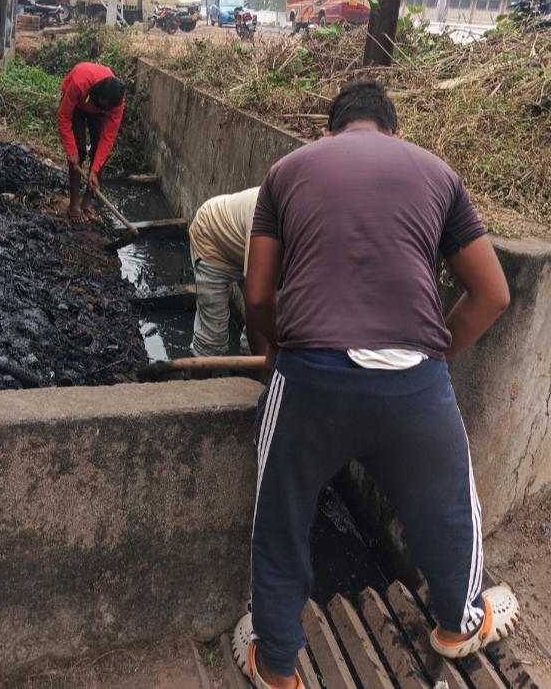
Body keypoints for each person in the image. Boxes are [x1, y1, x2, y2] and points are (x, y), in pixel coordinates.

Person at [232, 81, 518, 689]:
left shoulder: (287, 171)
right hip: (415, 385)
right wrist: (430, 357)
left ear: (328, 132)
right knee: (448, 507)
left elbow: (257, 296)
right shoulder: (438, 173)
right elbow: (493, 295)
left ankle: (275, 664)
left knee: (280, 513)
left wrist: (289, 353)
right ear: (394, 133)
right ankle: (459, 625)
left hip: (310, 381)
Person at [188, 188, 266, 372]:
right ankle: (196, 386)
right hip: (211, 238)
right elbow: (256, 302)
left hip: (240, 245)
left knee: (263, 327)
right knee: (212, 338)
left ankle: (246, 371)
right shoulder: (264, 218)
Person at [56, 62, 125, 223]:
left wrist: (94, 170)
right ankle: (74, 204)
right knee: (78, 151)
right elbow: (63, 116)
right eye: (104, 105)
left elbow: (107, 138)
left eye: (108, 107)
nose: (107, 108)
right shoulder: (79, 83)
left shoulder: (116, 102)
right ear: (100, 96)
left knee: (100, 154)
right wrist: (71, 149)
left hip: (98, 110)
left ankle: (86, 202)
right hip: (77, 104)